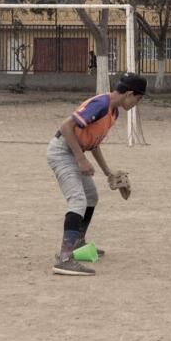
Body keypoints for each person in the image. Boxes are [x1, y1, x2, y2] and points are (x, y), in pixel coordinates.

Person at [48, 73, 147, 276]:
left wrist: (107, 172)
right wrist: (80, 159)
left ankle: (77, 244)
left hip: (74, 151)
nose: (136, 104)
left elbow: (93, 143)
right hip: (62, 151)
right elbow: (66, 126)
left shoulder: (114, 112)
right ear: (129, 94)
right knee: (78, 200)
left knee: (91, 197)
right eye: (137, 99)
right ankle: (65, 258)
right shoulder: (101, 104)